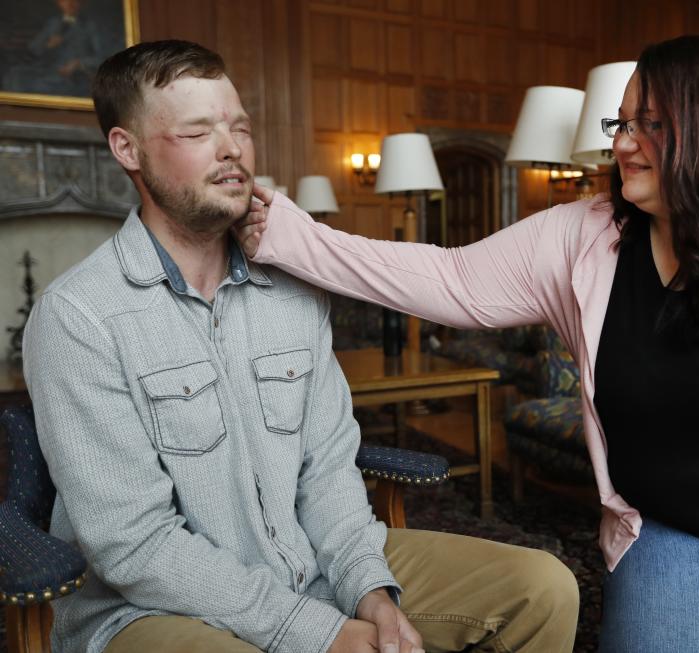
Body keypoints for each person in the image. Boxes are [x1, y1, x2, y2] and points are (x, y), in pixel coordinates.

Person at [236, 35, 699, 651]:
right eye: (622, 121)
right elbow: (448, 278)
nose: (621, 142)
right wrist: (293, 237)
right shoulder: (585, 236)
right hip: (677, 529)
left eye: (651, 124)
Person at [23, 40, 579, 653]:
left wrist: (370, 592)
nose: (232, 148)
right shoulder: (77, 317)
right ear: (126, 148)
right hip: (150, 608)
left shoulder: (292, 291)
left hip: (313, 566)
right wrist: (319, 633)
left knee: (543, 588)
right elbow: (136, 545)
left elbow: (330, 473)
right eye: (197, 132)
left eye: (240, 127)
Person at [4, 0, 103, 96]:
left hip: (73, 76)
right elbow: (33, 49)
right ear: (59, 2)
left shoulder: (90, 26)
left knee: (40, 85)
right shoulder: (53, 23)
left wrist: (78, 63)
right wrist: (47, 45)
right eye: (64, 0)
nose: (70, 3)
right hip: (47, 70)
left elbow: (101, 57)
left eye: (75, 0)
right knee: (14, 75)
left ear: (81, 3)